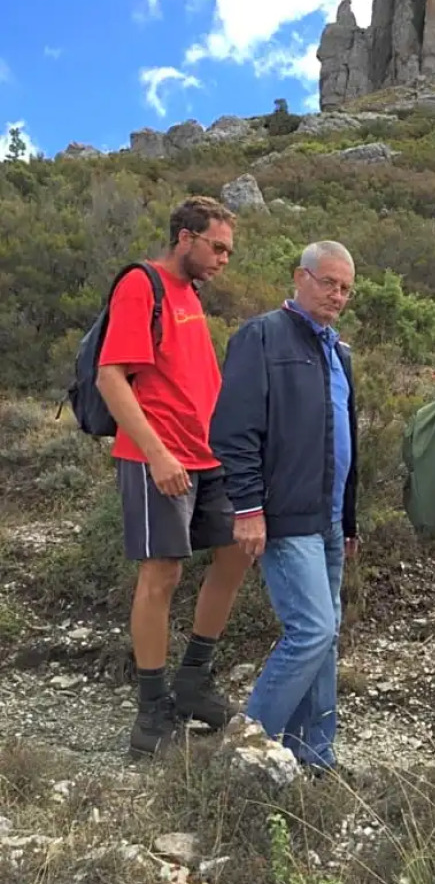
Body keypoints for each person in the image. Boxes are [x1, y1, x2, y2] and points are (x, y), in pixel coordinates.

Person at [96, 196, 252, 759]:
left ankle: (193, 679)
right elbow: (111, 377)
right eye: (217, 247)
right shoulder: (143, 284)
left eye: (229, 251)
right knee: (161, 574)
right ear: (185, 237)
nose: (223, 259)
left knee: (237, 550)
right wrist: (158, 454)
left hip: (207, 456)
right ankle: (150, 714)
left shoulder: (191, 293)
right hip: (156, 457)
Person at [210, 241, 358, 773]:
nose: (337, 295)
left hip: (329, 519)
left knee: (328, 633)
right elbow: (233, 431)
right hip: (285, 515)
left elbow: (346, 440)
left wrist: (350, 518)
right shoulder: (262, 336)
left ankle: (314, 756)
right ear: (301, 277)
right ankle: (245, 753)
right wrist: (248, 507)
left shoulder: (337, 351)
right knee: (312, 629)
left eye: (345, 288)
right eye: (328, 283)